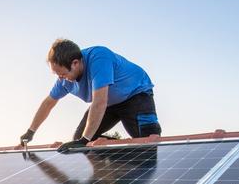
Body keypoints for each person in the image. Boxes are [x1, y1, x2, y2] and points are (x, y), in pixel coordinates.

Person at [20, 39, 161, 153]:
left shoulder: (99, 57)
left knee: (148, 142)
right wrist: (30, 132)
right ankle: (118, 162)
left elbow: (99, 101)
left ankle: (138, 150)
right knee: (79, 140)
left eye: (63, 74)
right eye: (57, 75)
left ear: (75, 63)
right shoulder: (64, 81)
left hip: (135, 95)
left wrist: (84, 140)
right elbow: (48, 103)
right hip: (109, 105)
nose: (61, 79)